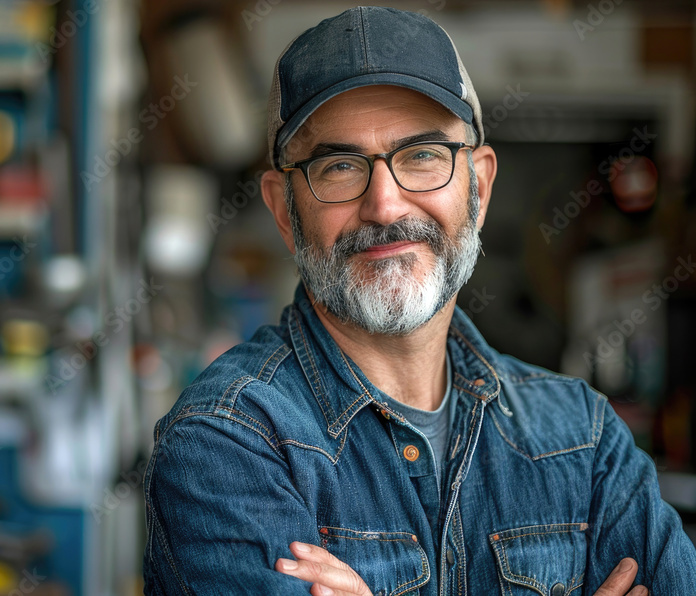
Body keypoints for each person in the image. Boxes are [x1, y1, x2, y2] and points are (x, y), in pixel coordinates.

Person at [142, 6, 696, 596]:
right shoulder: (226, 445)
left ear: (478, 185)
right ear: (284, 209)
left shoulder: (583, 438)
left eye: (423, 156)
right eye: (339, 166)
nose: (386, 205)